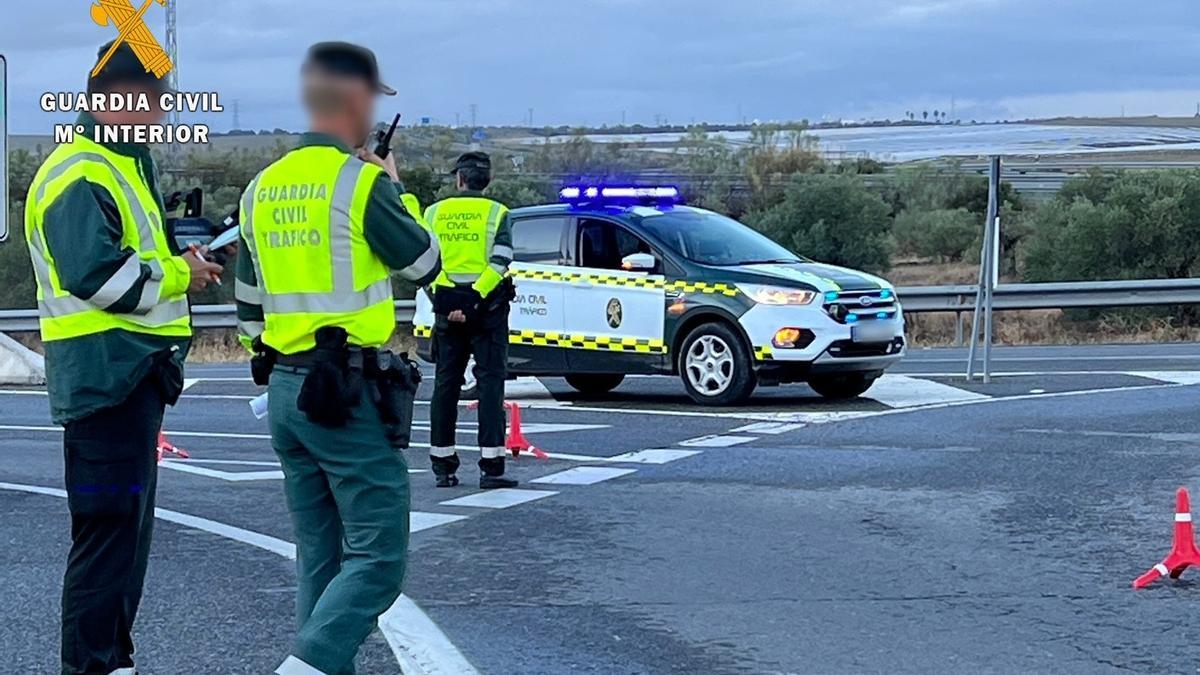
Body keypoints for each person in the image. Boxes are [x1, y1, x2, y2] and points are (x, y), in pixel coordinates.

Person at [234, 42, 440, 675]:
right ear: (354, 101)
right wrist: (396, 189)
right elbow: (425, 263)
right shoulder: (361, 183)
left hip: (288, 392)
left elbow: (246, 308)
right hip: (347, 393)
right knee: (378, 558)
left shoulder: (259, 189)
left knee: (319, 559)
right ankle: (306, 666)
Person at [23, 41, 223, 675]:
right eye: (157, 100)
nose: (164, 113)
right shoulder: (80, 172)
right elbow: (96, 277)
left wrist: (177, 268)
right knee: (108, 531)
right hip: (104, 380)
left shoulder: (118, 164)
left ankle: (111, 661)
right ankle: (93, 665)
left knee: (122, 534)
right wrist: (178, 276)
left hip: (128, 377)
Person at [425, 152, 518, 489]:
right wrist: (475, 298)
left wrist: (448, 302)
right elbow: (501, 261)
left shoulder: (434, 213)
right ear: (486, 182)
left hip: (448, 312)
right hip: (488, 311)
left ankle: (443, 468)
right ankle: (491, 467)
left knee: (446, 385)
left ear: (459, 180)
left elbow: (426, 263)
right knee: (491, 385)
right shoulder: (498, 213)